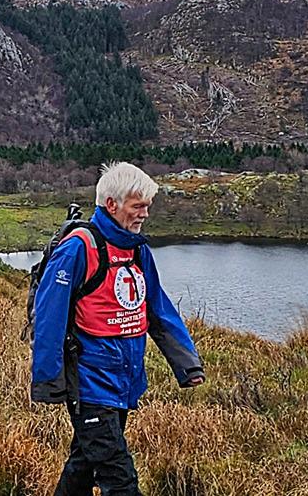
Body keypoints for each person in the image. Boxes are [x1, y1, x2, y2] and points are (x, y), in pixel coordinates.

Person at [31, 163, 205, 496]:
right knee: (120, 478)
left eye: (147, 206)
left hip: (124, 382)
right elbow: (49, 317)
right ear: (112, 204)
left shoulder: (137, 250)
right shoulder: (79, 248)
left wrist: (187, 364)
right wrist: (48, 381)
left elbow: (158, 309)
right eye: (138, 206)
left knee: (83, 466)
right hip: (90, 385)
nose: (145, 214)